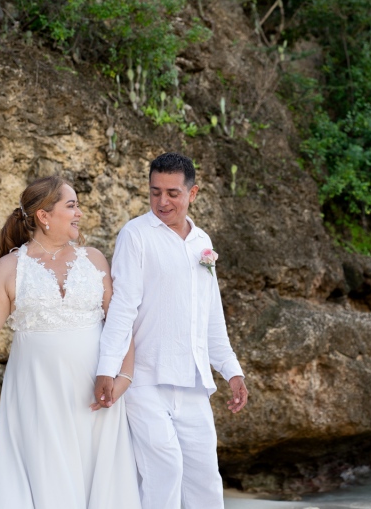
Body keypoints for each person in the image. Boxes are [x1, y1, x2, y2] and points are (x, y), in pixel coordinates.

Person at [0, 176, 141, 509]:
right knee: (48, 482)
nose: (79, 213)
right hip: (38, 397)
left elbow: (120, 326)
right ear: (44, 215)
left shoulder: (95, 260)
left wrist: (124, 379)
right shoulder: (9, 268)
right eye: (71, 205)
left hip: (95, 397)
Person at [94, 152, 249, 509]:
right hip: (146, 379)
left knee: (205, 478)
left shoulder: (202, 243)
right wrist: (108, 366)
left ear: (192, 194)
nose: (162, 202)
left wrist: (233, 372)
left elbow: (211, 318)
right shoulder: (135, 235)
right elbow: (122, 306)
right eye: (155, 192)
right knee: (164, 470)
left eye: (172, 193)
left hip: (193, 382)